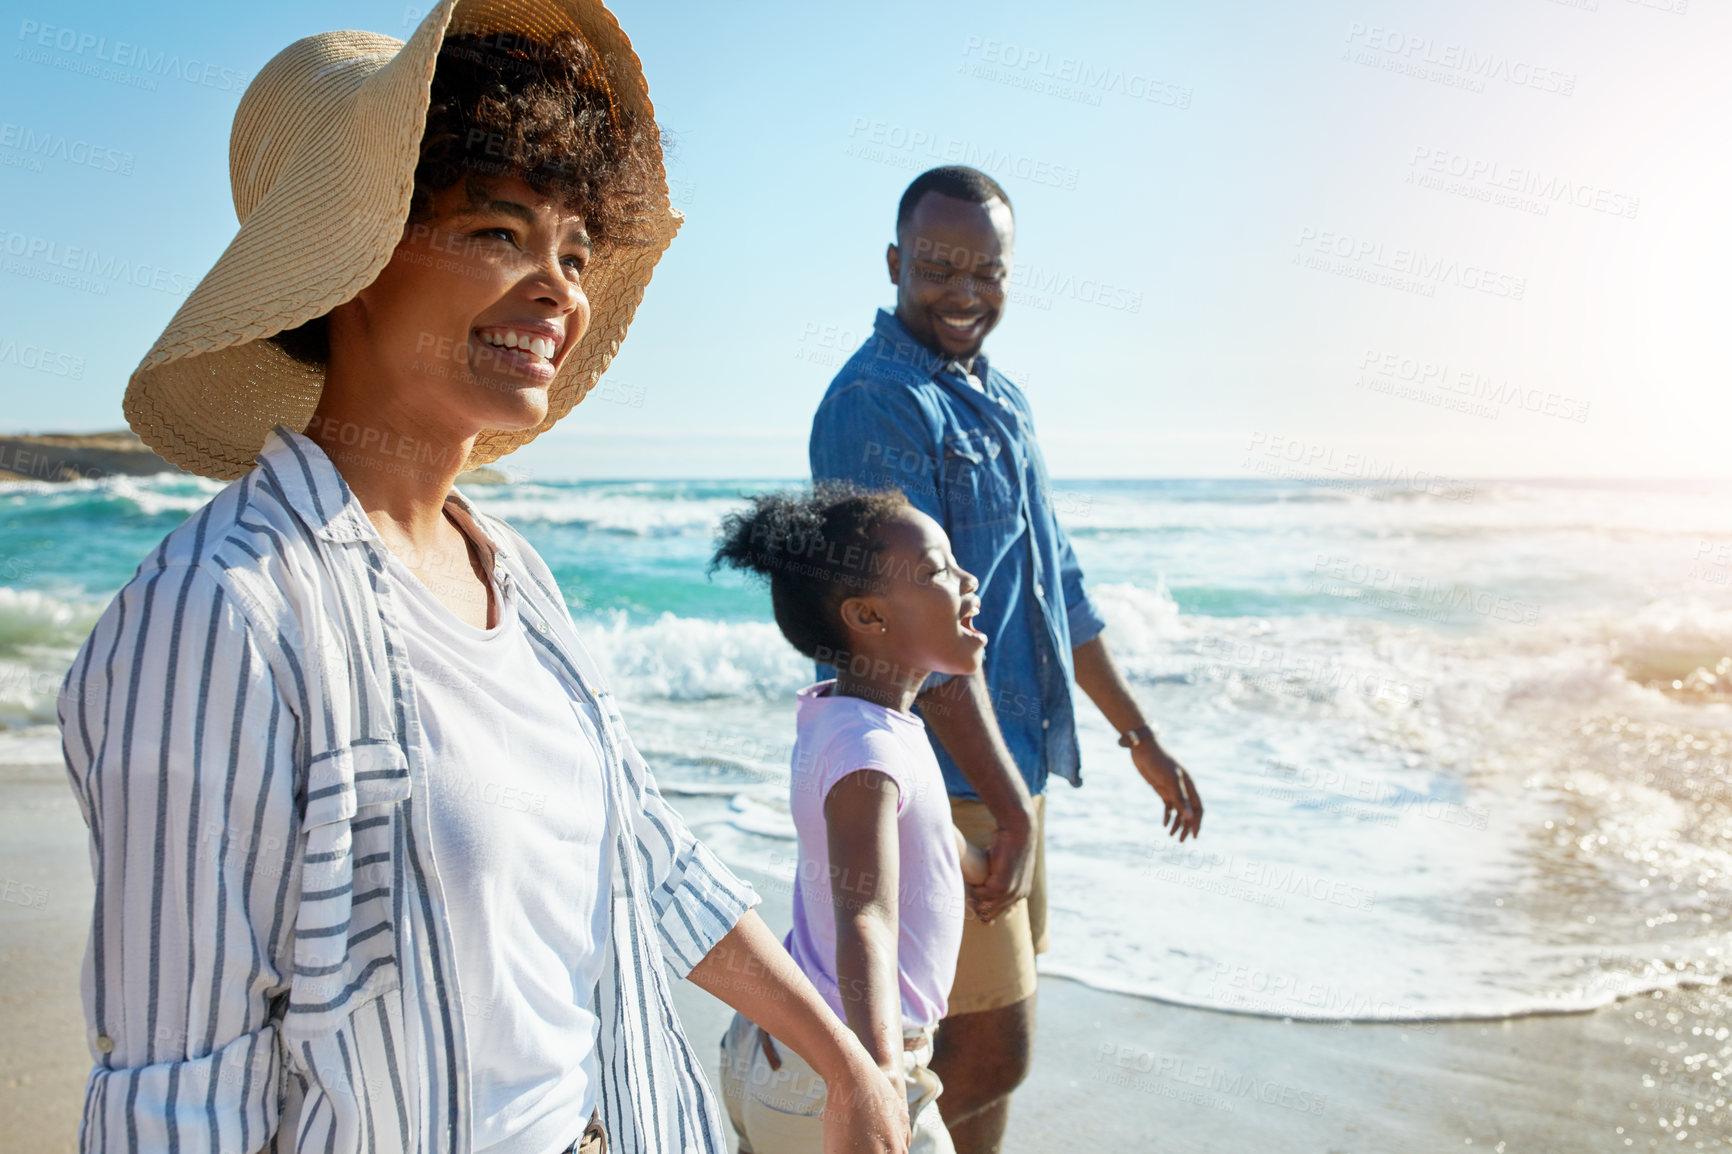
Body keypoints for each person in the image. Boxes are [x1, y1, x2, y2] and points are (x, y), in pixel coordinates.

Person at [55, 4, 909, 1152]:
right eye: (498, 232)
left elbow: (648, 853)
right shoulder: (222, 612)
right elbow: (175, 1088)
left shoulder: (517, 575)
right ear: (349, 264)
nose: (558, 287)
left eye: (571, 248)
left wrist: (844, 1059)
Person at [808, 165, 1205, 1153]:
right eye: (937, 265)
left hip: (1012, 772)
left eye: (985, 269)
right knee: (973, 1055)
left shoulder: (1003, 396)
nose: (961, 290)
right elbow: (912, 629)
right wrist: (1007, 801)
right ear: (896, 261)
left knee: (987, 1059)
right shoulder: (878, 402)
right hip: (938, 786)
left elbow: (1055, 582)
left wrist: (1136, 736)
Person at [708, 485, 992, 1153]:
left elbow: (910, 828)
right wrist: (880, 1077)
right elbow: (865, 915)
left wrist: (978, 862)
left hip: (785, 1055)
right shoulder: (871, 749)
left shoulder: (847, 716)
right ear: (867, 617)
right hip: (840, 1070)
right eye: (935, 572)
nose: (967, 579)